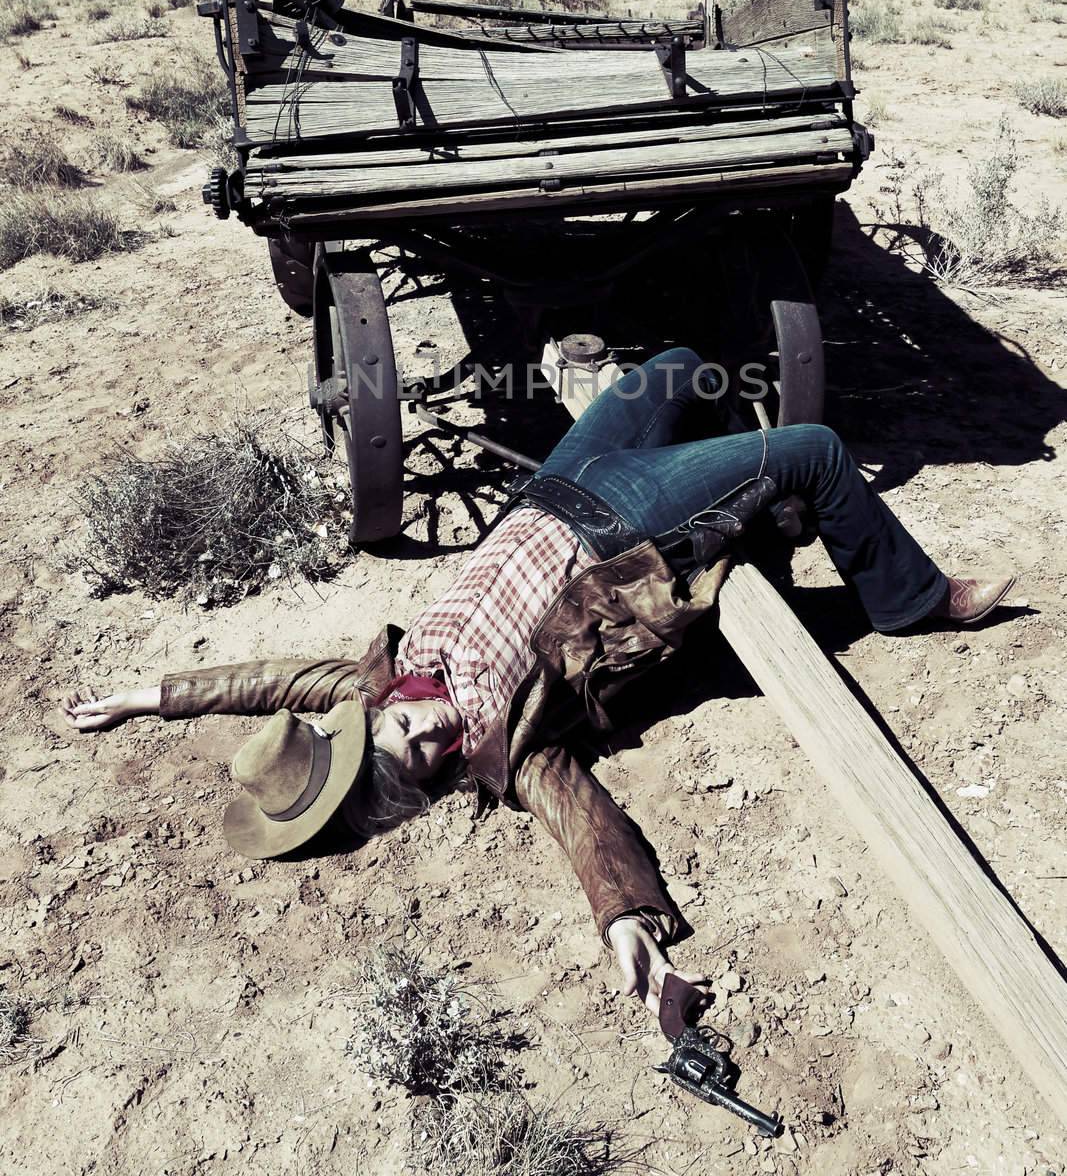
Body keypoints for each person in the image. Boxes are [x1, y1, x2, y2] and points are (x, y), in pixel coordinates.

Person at [62, 347, 1014, 1017]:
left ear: (361, 724)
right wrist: (628, 929)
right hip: (618, 530)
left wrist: (148, 694)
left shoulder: (364, 686)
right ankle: (911, 600)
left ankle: (763, 520)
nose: (430, 736)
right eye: (433, 761)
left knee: (682, 365)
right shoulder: (514, 754)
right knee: (813, 445)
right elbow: (582, 825)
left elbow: (266, 679)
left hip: (556, 482)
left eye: (404, 737)